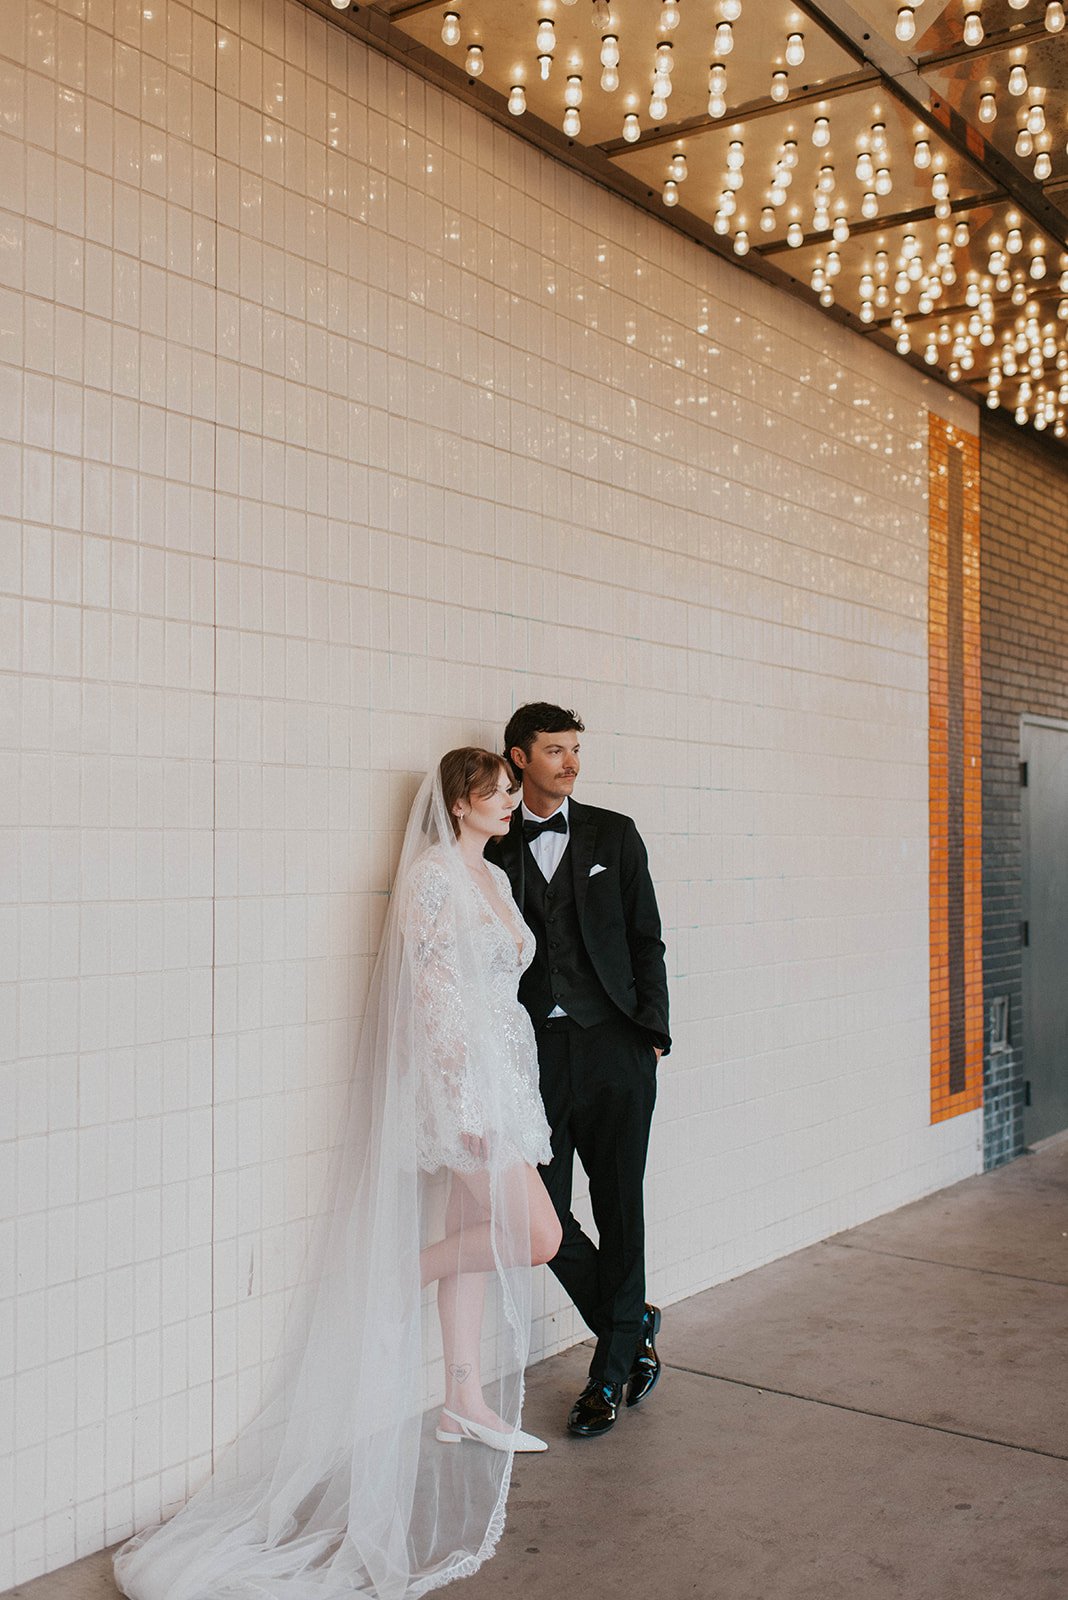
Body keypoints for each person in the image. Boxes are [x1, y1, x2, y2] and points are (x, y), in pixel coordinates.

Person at [114, 749, 561, 1600]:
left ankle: (462, 1395)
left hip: (508, 1083)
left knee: (480, 1233)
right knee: (535, 1236)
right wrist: (463, 1095)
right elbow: (430, 995)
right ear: (461, 801)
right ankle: (408, 1273)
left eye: (511, 792)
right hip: (467, 1091)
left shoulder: (491, 877)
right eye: (500, 792)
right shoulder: (434, 877)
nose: (512, 803)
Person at [487, 704, 670, 1438]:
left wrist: (651, 1035)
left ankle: (607, 1376)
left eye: (575, 751)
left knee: (622, 1203)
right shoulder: (495, 846)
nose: (571, 763)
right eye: (555, 751)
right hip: (532, 1058)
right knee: (546, 1217)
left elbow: (645, 937)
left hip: (614, 1047)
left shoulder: (613, 834)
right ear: (518, 758)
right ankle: (630, 1326)